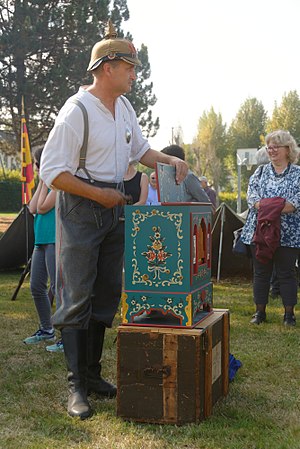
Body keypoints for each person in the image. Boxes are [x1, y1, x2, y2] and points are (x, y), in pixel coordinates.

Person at [40, 20, 188, 420]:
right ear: (108, 67)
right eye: (130, 67)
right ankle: (76, 387)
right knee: (77, 296)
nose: (135, 74)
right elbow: (51, 171)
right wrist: (99, 194)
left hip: (115, 206)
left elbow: (141, 150)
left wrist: (169, 158)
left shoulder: (123, 107)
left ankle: (92, 375)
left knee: (106, 293)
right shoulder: (76, 111)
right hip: (81, 207)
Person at [241, 130, 300, 327]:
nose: (271, 150)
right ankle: (260, 312)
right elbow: (252, 198)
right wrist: (275, 206)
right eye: (269, 147)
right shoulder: (260, 172)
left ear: (288, 149)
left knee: (287, 273)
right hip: (259, 232)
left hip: (288, 234)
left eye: (276, 146)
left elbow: (294, 204)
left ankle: (289, 315)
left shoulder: (298, 174)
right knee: (261, 273)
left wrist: (266, 206)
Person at [23, 147, 58, 349]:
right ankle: (47, 330)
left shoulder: (60, 185)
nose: (35, 168)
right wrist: (43, 182)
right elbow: (32, 208)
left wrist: (46, 182)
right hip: (40, 242)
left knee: (57, 288)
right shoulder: (45, 184)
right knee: (36, 286)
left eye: (37, 164)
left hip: (54, 241)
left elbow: (42, 207)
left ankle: (66, 337)